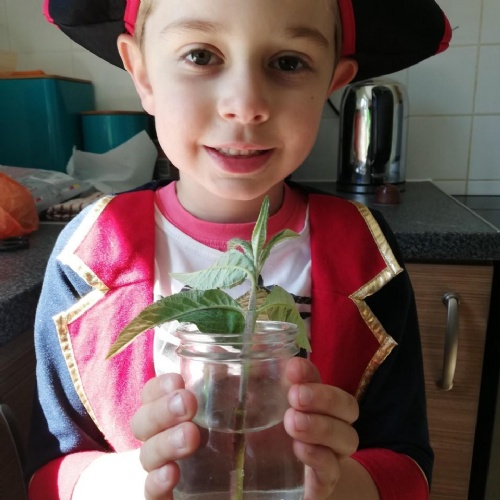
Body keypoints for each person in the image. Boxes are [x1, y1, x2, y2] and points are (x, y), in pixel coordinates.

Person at [27, 0, 452, 498]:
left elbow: (406, 464)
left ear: (332, 84)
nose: (245, 104)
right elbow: (51, 473)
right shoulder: (88, 254)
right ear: (142, 74)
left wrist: (338, 484)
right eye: (201, 56)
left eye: (288, 62)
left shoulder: (365, 251)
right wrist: (140, 480)